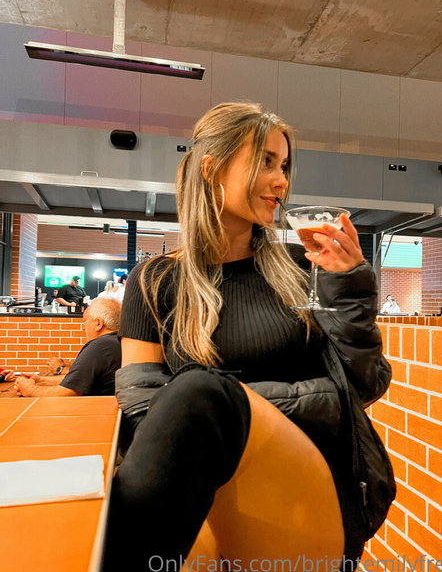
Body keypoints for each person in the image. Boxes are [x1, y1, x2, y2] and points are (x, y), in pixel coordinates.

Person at [103, 103, 392, 571]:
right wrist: (307, 398)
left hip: (311, 482)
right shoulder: (154, 280)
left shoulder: (305, 268)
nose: (282, 181)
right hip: (213, 496)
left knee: (198, 392)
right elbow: (140, 407)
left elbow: (361, 387)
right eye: (265, 162)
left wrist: (349, 286)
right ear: (211, 169)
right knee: (199, 396)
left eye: (285, 166)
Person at [14, 298, 121, 397]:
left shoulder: (99, 346)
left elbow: (68, 392)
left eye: (85, 321)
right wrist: (40, 380)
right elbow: (77, 380)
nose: (83, 327)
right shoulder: (117, 342)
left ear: (98, 323)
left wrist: (29, 389)